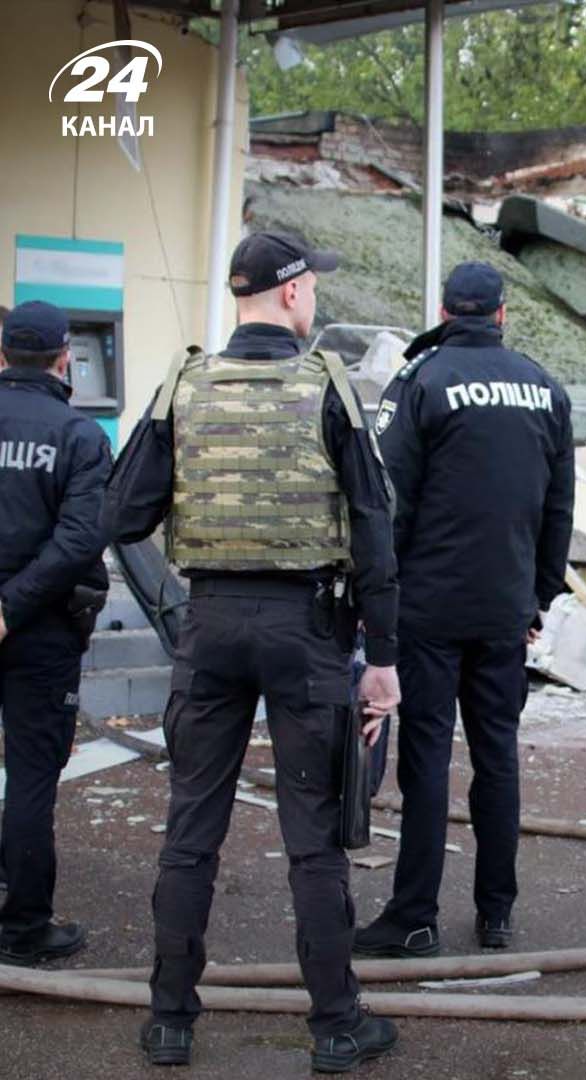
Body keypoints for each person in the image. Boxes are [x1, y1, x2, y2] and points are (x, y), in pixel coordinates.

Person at [105, 232, 404, 1072]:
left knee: (190, 830)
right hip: (306, 633)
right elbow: (375, 531)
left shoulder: (183, 386)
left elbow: (120, 515)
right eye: (314, 288)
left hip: (209, 627)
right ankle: (337, 1028)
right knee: (313, 837)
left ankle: (169, 1023)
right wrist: (383, 658)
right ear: (294, 292)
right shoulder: (330, 387)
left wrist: (177, 600)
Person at [354, 262, 573, 959]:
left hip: (429, 610)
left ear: (446, 313)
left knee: (425, 761)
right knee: (497, 758)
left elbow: (390, 504)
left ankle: (415, 917)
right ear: (502, 314)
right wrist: (538, 598)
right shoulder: (544, 388)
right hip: (504, 608)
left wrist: (375, 602)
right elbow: (559, 507)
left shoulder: (421, 381)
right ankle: (496, 913)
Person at [0, 301, 111, 965]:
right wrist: (11, 607)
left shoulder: (78, 434)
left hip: (28, 620)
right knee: (33, 776)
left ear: (3, 353)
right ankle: (22, 928)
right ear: (65, 356)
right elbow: (78, 541)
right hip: (42, 629)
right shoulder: (79, 435)